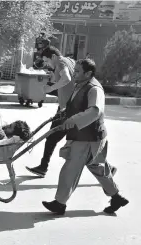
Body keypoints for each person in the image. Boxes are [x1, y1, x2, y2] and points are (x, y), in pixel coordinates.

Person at [42, 59, 129, 215]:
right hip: (87, 136)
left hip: (88, 138)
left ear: (88, 73)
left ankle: (59, 204)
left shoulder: (94, 89)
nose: (73, 73)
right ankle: (116, 197)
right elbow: (77, 104)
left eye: (77, 71)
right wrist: (65, 112)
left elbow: (95, 111)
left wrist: (73, 120)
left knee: (70, 168)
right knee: (97, 167)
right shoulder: (81, 84)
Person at [26, 46, 76, 178]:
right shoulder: (69, 61)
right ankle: (107, 169)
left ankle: (43, 167)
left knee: (52, 138)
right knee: (83, 143)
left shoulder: (60, 62)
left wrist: (50, 88)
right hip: (72, 107)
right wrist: (53, 83)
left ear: (53, 56)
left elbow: (66, 79)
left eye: (47, 61)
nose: (47, 64)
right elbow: (68, 82)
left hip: (68, 110)